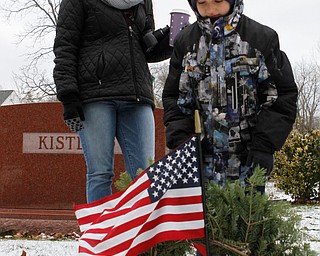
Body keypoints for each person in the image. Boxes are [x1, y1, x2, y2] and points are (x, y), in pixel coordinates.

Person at [162, 0, 298, 192]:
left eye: (218, 1)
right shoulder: (185, 43)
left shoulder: (261, 39)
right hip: (201, 164)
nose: (211, 9)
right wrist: (183, 144)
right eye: (202, 2)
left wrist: (264, 146)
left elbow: (281, 97)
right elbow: (176, 101)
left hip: (248, 160)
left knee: (247, 221)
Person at [53, 0, 172, 203]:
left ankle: (142, 233)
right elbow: (65, 46)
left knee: (144, 173)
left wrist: (171, 40)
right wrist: (68, 95)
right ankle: (99, 234)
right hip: (95, 96)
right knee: (100, 173)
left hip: (137, 95)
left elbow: (146, 48)